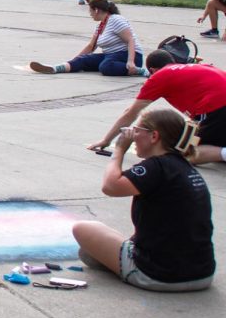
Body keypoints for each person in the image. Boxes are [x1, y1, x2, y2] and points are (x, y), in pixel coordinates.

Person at [72, 108, 215, 292]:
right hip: (202, 274)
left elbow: (110, 186)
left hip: (159, 275)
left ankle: (130, 266)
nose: (132, 137)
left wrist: (119, 150)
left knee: (83, 230)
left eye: (136, 131)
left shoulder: (156, 166)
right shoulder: (184, 167)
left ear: (154, 136)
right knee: (92, 249)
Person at [89, 49, 226, 166]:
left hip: (217, 105)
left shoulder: (160, 76)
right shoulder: (191, 67)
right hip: (218, 104)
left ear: (152, 70)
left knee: (187, 154)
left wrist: (106, 140)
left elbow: (131, 113)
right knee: (213, 143)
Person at [28, 0, 144, 77]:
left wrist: (131, 61)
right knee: (84, 59)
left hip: (128, 55)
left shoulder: (116, 20)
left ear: (96, 10)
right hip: (111, 56)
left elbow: (130, 40)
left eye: (90, 10)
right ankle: (55, 68)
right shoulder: (100, 26)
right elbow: (91, 46)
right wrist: (74, 60)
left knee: (106, 67)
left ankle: (140, 71)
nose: (90, 14)